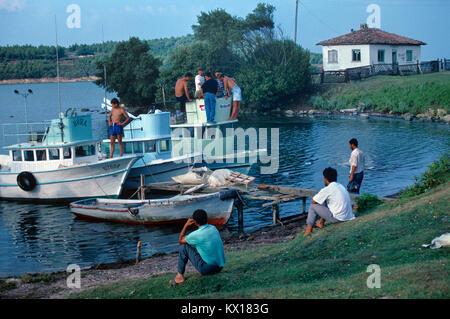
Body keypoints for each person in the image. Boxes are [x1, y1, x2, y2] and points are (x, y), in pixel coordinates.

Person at [169, 209, 225, 286]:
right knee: (200, 246)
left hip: (208, 269)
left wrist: (186, 225)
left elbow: (180, 240)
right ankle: (203, 267)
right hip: (220, 267)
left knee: (184, 246)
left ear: (195, 221)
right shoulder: (213, 228)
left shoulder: (197, 234)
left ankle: (179, 276)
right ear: (206, 218)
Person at [304, 167, 355, 237]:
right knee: (325, 201)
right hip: (348, 216)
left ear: (325, 178)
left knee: (313, 206)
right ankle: (321, 223)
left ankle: (308, 231)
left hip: (339, 218)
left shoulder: (328, 189)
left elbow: (313, 201)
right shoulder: (340, 186)